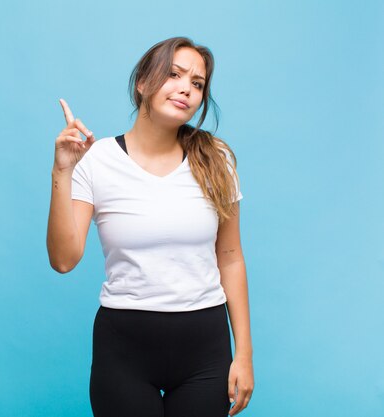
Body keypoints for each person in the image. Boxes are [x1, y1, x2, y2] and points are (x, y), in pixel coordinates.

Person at [46, 36, 254, 417]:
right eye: (174, 74)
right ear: (142, 82)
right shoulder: (97, 160)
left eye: (197, 83)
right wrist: (63, 170)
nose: (186, 89)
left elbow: (230, 258)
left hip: (205, 350)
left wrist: (244, 354)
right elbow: (63, 259)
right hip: (123, 350)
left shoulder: (216, 158)